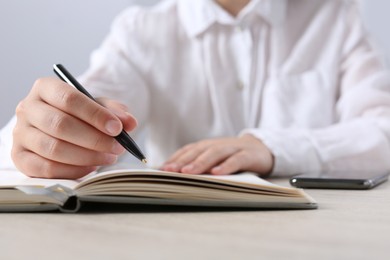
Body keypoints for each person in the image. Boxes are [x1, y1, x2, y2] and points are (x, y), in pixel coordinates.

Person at [1, 0, 390, 179]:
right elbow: (90, 101)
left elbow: (383, 130)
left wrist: (271, 147)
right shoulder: (141, 31)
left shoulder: (336, 15)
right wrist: (49, 131)